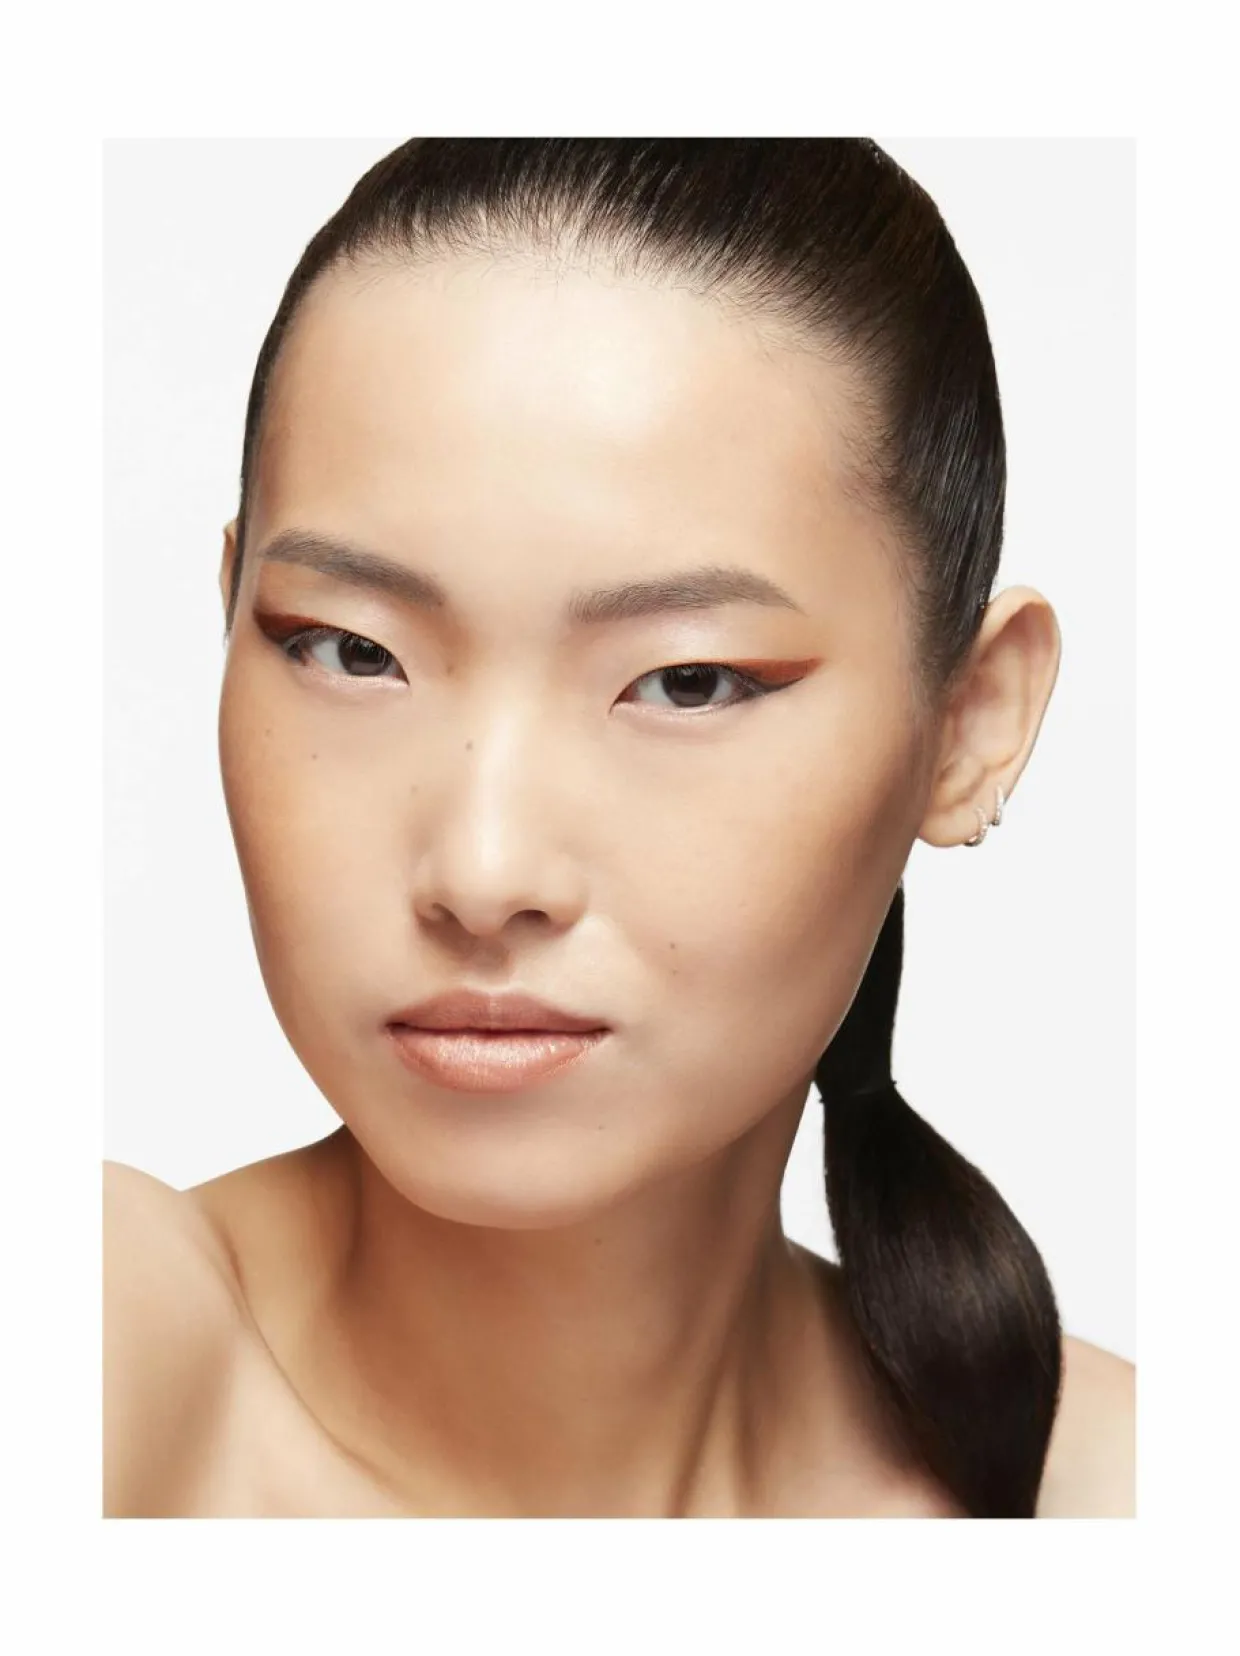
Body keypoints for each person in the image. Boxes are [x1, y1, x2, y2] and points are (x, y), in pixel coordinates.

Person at [103, 137, 1134, 1519]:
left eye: (688, 681)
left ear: (971, 723)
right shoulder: (106, 1356)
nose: (483, 872)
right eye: (350, 651)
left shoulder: (1134, 1502)